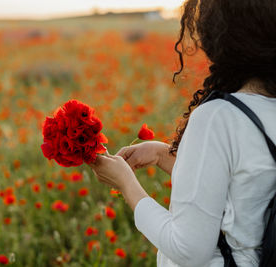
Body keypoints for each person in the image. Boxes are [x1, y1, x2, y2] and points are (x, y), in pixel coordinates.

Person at [89, 0, 276, 266]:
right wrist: (161, 154)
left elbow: (188, 249)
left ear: (222, 36)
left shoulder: (218, 118)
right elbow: (245, 191)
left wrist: (126, 184)